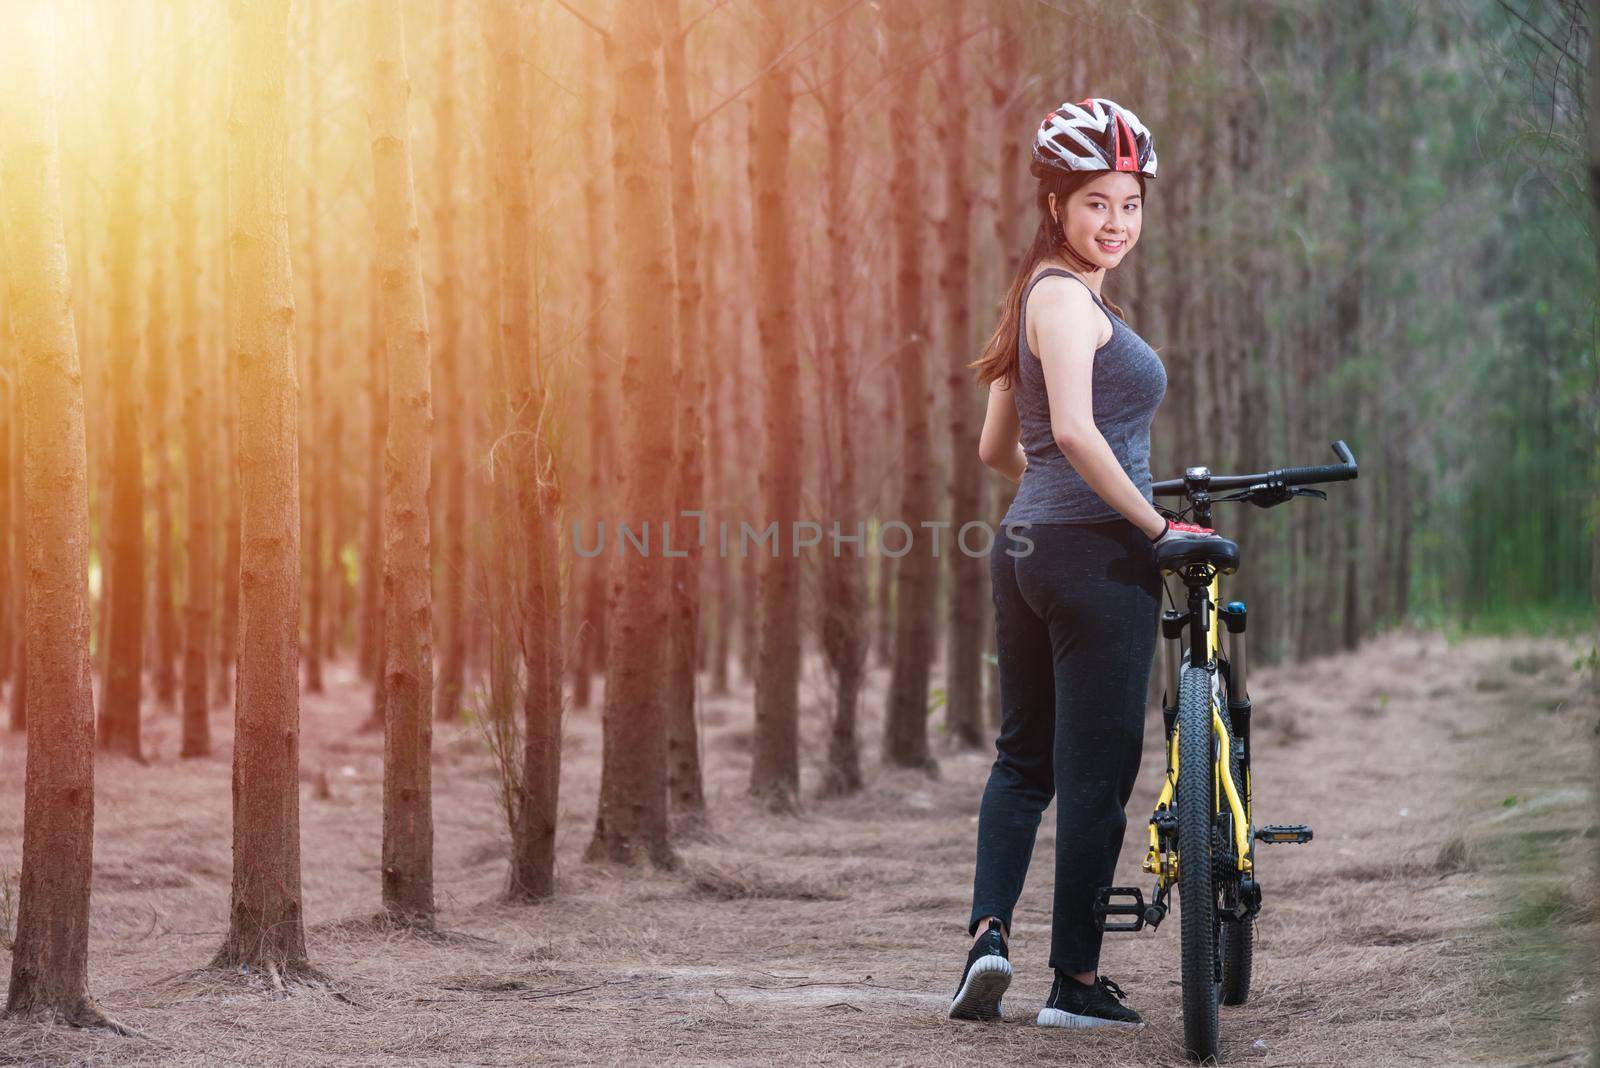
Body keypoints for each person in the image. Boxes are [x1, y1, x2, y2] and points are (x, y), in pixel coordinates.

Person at [950, 97, 1216, 1030]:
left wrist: (1054, 501)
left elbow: (999, 446)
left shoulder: (1038, 296)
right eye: (1097, 203)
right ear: (1056, 203)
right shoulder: (1063, 297)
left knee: (1023, 762)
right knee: (1094, 773)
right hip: (1092, 558)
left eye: (1131, 204)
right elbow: (1070, 427)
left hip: (1027, 546)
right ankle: (1073, 984)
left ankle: (988, 939)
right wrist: (1154, 529)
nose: (1117, 222)